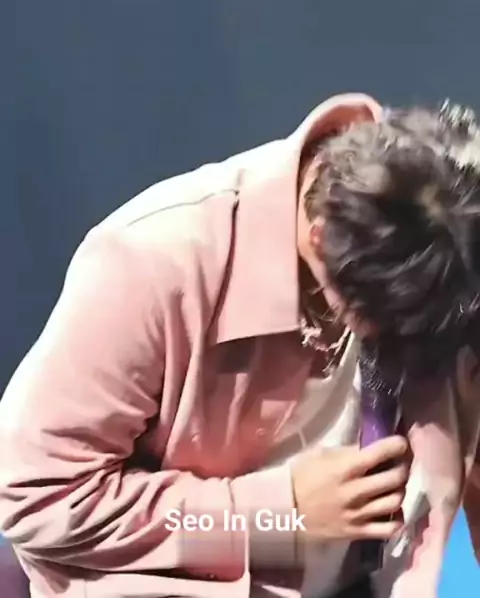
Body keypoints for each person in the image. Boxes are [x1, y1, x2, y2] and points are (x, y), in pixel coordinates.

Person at [0, 92, 480, 598]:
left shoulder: (451, 226)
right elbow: (35, 499)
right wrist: (275, 516)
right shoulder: (154, 263)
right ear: (320, 240)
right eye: (396, 324)